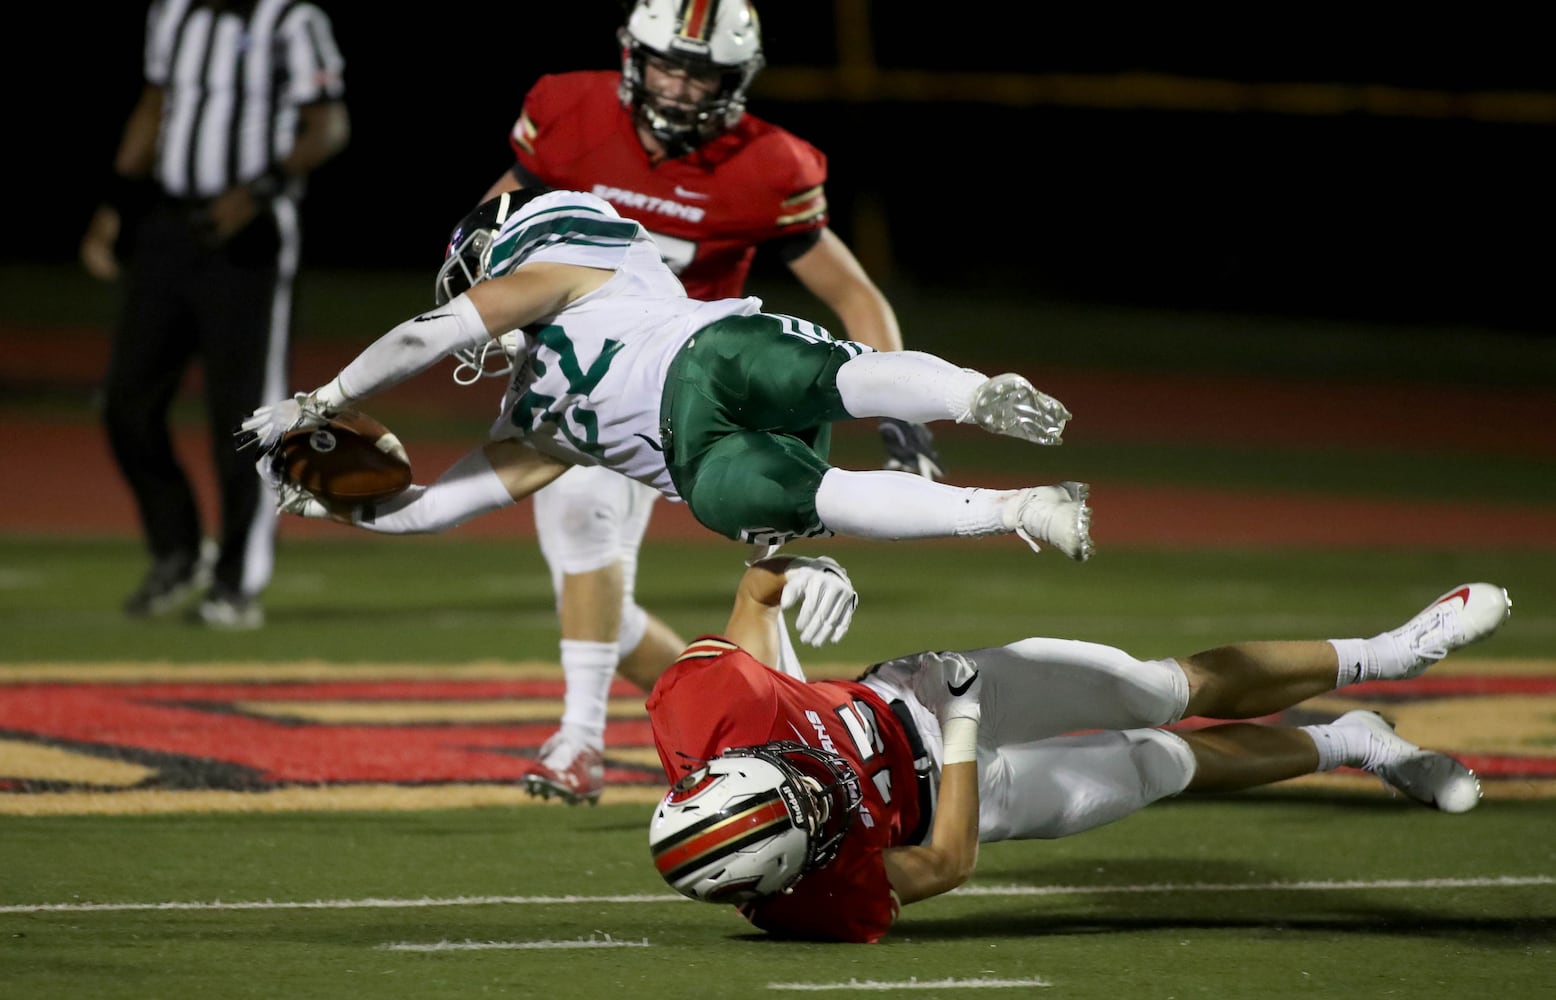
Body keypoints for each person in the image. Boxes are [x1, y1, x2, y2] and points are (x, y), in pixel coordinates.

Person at [455, 0, 936, 805]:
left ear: (734, 81)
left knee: (758, 564)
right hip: (590, 368)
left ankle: (788, 739)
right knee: (591, 560)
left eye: (700, 73)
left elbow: (851, 290)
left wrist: (901, 410)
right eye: (669, 65)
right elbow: (487, 222)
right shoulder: (570, 111)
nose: (679, 88)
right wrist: (488, 310)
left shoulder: (770, 165)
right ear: (634, 58)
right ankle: (648, 728)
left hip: (706, 382)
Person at [236, 184, 1093, 575]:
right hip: (703, 432)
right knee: (816, 445)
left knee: (825, 400)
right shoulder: (535, 422)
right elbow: (430, 506)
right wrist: (347, 505)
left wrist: (324, 400)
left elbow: (433, 332)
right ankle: (1013, 492)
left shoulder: (564, 271)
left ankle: (981, 417)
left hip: (706, 368)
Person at [645, 560, 1512, 943]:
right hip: (962, 793)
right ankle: (1351, 743)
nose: (815, 789)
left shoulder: (706, 709)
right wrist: (962, 729)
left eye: (792, 780)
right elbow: (945, 863)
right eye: (814, 816)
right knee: (1155, 763)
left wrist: (805, 574)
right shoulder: (807, 904)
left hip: (903, 696)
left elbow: (757, 585)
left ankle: (1391, 652)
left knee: (1157, 691)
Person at [80, 0, 349, 629]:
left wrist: (258, 191)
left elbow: (328, 127)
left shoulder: (291, 22)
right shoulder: (173, 14)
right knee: (126, 402)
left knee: (246, 416)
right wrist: (117, 204)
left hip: (250, 234)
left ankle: (236, 583)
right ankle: (178, 549)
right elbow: (155, 106)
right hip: (172, 223)